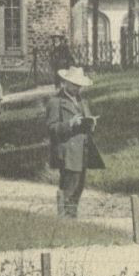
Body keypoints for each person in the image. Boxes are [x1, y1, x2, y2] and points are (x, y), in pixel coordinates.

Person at [46, 67, 105, 219]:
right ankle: (64, 217)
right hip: (68, 151)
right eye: (74, 84)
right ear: (65, 83)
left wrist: (91, 123)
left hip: (83, 149)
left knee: (79, 185)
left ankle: (72, 217)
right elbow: (51, 128)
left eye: (79, 85)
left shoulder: (81, 100)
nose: (77, 88)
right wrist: (69, 124)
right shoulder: (56, 102)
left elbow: (87, 118)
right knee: (69, 186)